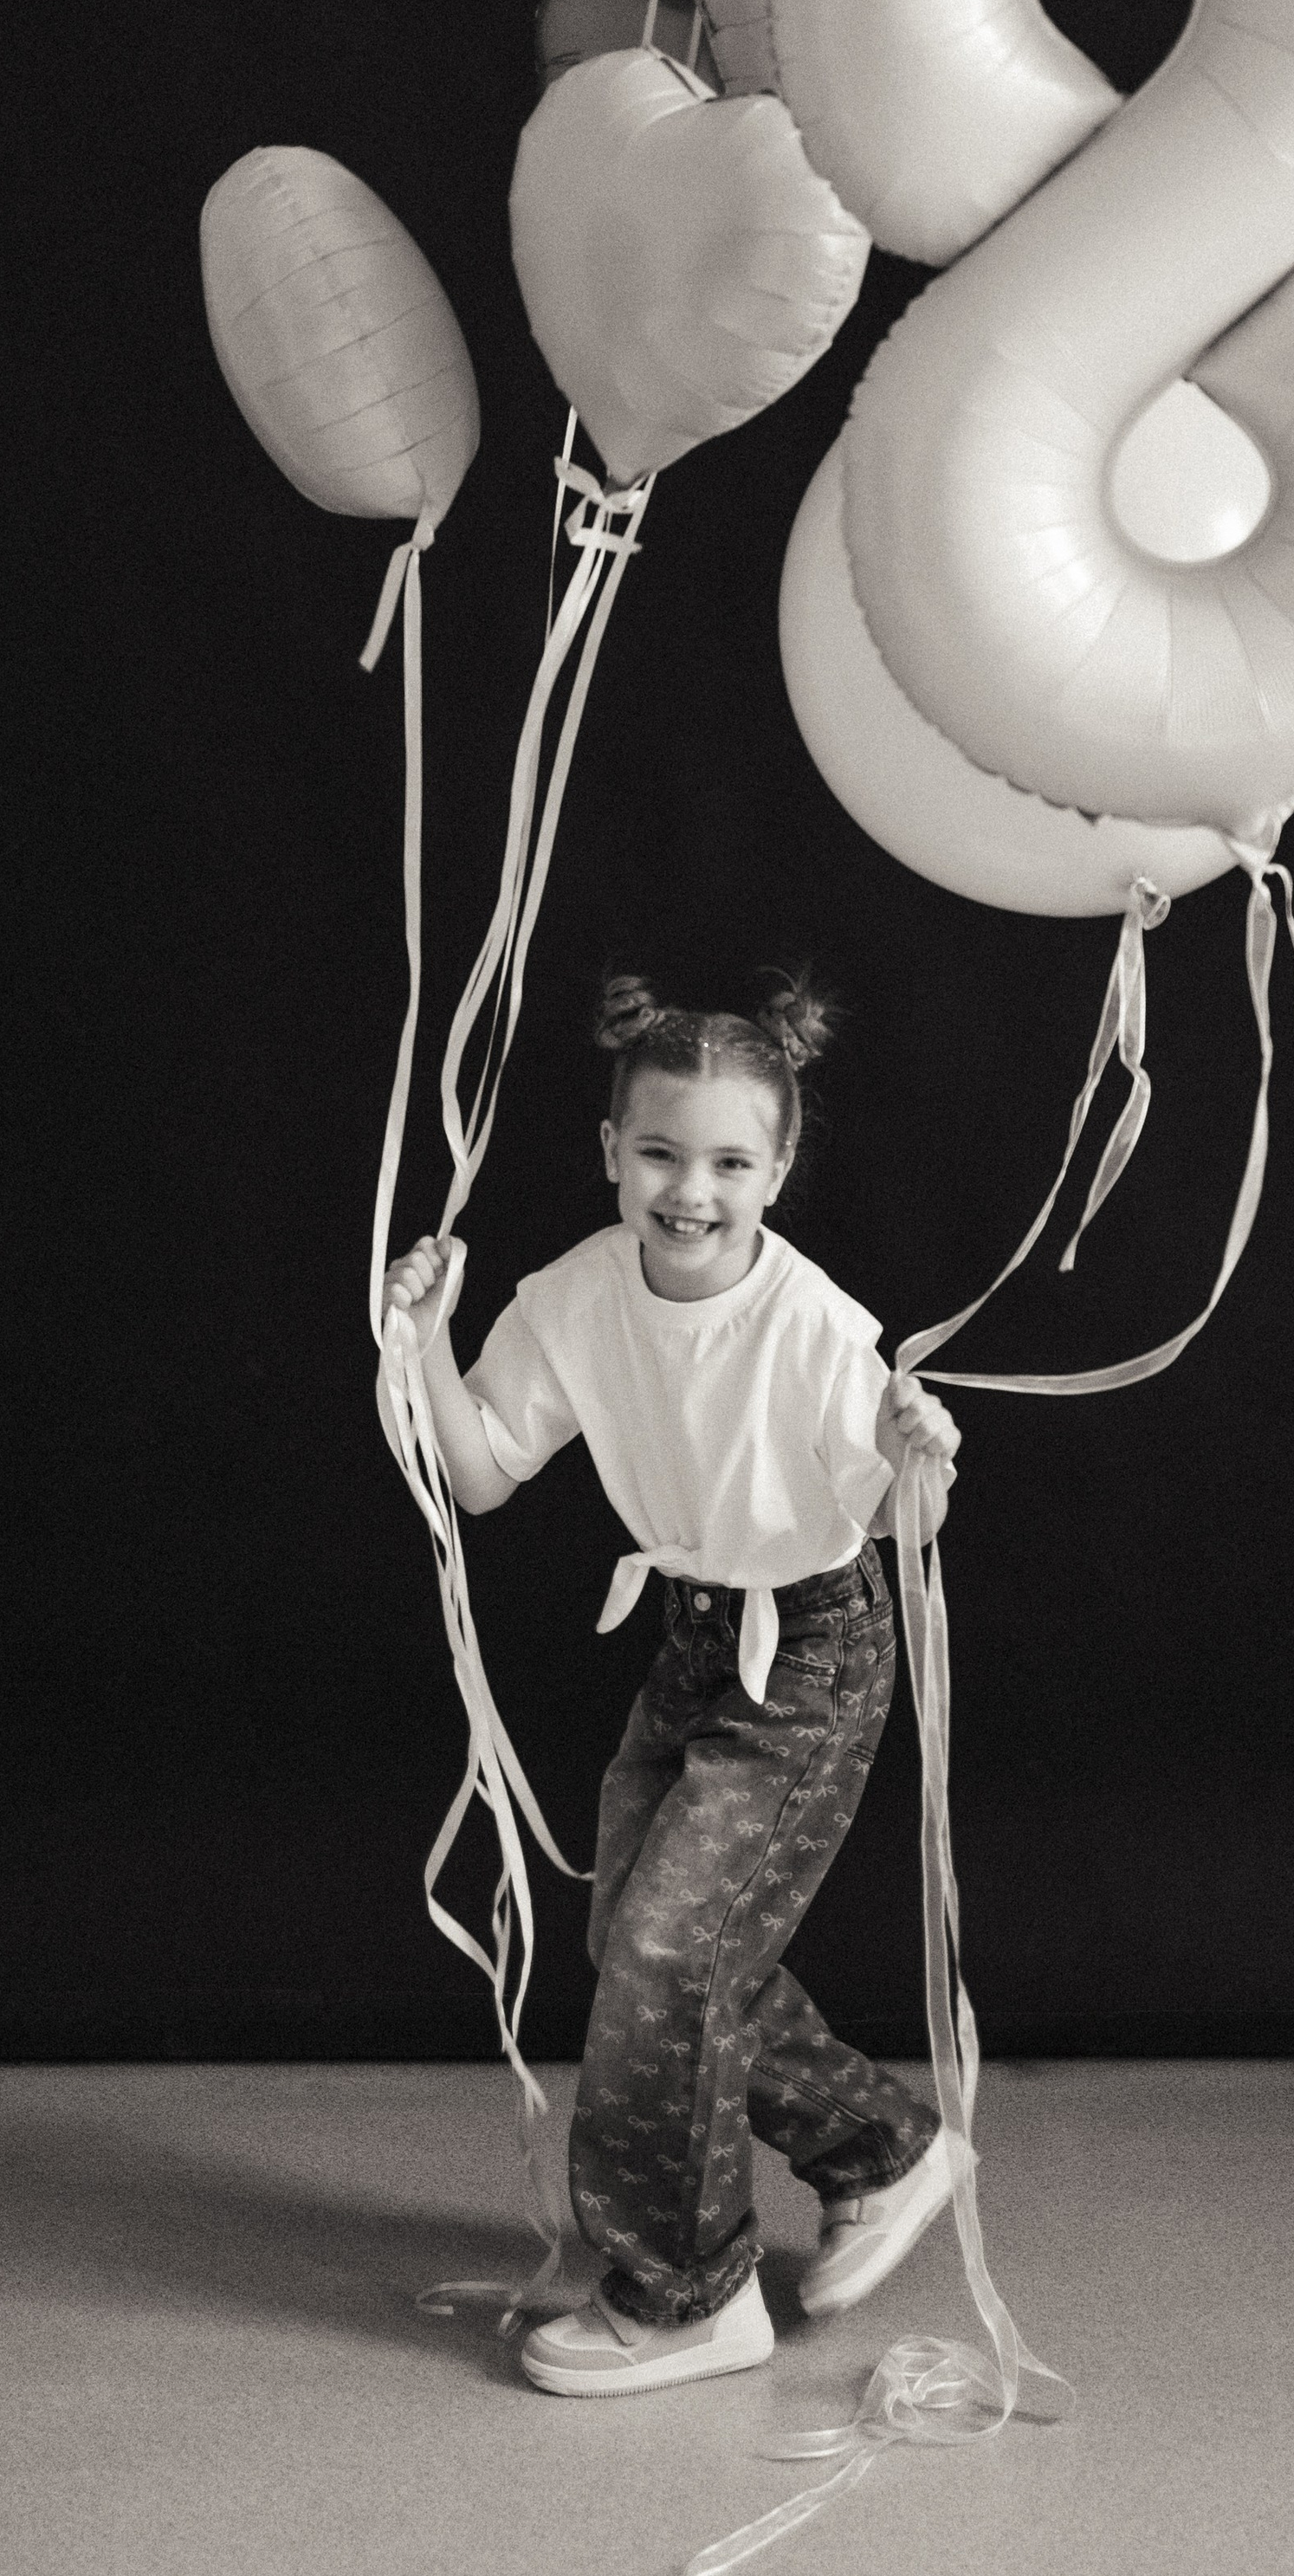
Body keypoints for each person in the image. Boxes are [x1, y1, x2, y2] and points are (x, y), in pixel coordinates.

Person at [383, 967, 968, 2398]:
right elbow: (478, 1467)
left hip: (816, 1651)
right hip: (700, 1636)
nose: (688, 1189)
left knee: (664, 1955)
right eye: (659, 1152)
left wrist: (918, 1455)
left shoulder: (817, 1325)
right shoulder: (577, 1295)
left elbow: (895, 1521)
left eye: (725, 1162)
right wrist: (421, 1340)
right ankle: (882, 2151)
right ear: (608, 1153)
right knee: (642, 1946)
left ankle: (691, 2292)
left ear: (778, 1169)